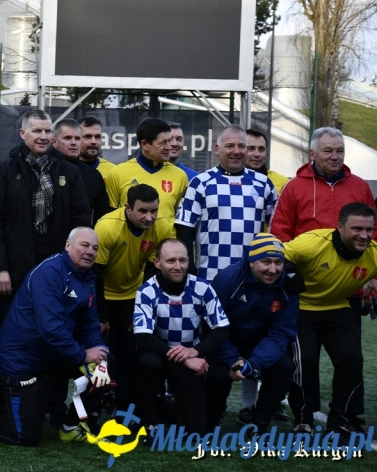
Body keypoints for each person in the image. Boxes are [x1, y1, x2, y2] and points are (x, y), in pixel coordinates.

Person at [0, 228, 110, 446]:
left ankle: (71, 426)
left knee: (103, 368)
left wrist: (99, 355)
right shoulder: (50, 272)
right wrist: (82, 354)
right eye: (84, 245)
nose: (90, 252)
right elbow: (50, 328)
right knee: (24, 436)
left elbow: (90, 324)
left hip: (53, 356)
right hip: (23, 361)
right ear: (68, 245)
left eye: (95, 248)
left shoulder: (88, 277)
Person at [0, 109, 91, 338]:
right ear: (23, 133)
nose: (42, 136)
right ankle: (11, 377)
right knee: (13, 338)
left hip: (57, 271)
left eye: (47, 131)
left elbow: (81, 221)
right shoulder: (5, 171)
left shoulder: (69, 173)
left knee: (52, 336)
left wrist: (70, 264)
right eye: (36, 131)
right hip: (14, 271)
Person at [284, 202, 377, 436]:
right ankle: (303, 419)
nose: (364, 235)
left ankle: (339, 421)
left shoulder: (373, 253)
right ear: (339, 227)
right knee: (305, 361)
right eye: (357, 228)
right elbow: (274, 254)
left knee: (352, 360)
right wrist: (289, 272)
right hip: (301, 307)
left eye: (369, 230)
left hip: (337, 307)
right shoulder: (312, 243)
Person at [133, 239, 229, 434]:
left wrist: (194, 351)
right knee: (146, 361)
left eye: (182, 260)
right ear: (157, 262)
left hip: (191, 357)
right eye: (171, 261)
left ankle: (171, 408)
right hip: (161, 356)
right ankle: (149, 422)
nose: (178, 266)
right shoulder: (146, 291)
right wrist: (183, 358)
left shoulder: (202, 287)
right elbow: (142, 336)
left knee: (196, 431)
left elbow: (222, 328)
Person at [206, 234, 297, 433]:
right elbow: (213, 324)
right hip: (226, 341)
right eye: (266, 262)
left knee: (284, 366)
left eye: (278, 262)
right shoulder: (227, 279)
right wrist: (232, 359)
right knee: (217, 374)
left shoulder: (288, 286)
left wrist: (254, 363)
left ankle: (260, 419)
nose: (273, 269)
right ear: (251, 262)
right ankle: (215, 412)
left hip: (261, 344)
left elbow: (281, 333)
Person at [93, 184, 173, 403]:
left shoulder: (162, 227)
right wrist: (101, 316)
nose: (150, 217)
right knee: (101, 349)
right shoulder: (107, 227)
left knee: (129, 347)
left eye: (154, 211)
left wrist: (142, 306)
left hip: (132, 294)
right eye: (143, 211)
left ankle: (124, 398)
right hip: (104, 294)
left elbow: (151, 270)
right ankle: (97, 398)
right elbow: (96, 273)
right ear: (128, 208)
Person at [175, 125, 277, 283]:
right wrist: (189, 268)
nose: (236, 151)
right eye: (230, 146)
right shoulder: (200, 182)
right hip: (209, 276)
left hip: (252, 277)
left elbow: (276, 228)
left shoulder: (264, 184)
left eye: (242, 146)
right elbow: (184, 228)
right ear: (217, 149)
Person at [270, 127, 376, 242]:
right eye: (328, 151)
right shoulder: (293, 187)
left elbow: (374, 228)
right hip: (305, 259)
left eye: (340, 151)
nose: (335, 157)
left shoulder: (360, 187)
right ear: (312, 154)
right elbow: (279, 230)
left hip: (353, 259)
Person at [105, 118, 188, 221]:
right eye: (163, 143)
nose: (169, 147)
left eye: (169, 141)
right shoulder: (117, 173)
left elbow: (183, 218)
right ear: (144, 145)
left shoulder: (180, 176)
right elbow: (109, 218)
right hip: (130, 237)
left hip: (167, 237)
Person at [53, 118, 111, 223]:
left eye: (77, 138)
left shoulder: (94, 175)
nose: (73, 143)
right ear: (54, 142)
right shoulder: (43, 170)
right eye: (68, 138)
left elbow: (102, 218)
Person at [245, 128, 289, 194]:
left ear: (266, 152)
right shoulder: (228, 180)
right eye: (251, 149)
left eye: (261, 149)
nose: (257, 154)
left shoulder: (283, 183)